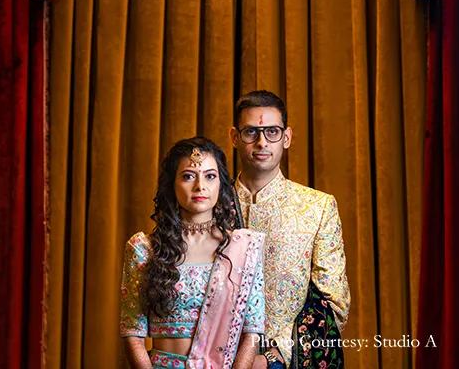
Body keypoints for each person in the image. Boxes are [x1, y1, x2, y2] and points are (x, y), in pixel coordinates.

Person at [120, 137, 265, 369]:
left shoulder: (244, 249)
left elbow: (253, 332)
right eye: (188, 176)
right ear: (172, 185)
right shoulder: (145, 249)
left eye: (210, 176)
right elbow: (132, 332)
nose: (200, 186)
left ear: (221, 185)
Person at [231, 91, 350, 369]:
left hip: (286, 361)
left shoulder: (317, 207)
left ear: (287, 137)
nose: (262, 142)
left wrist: (274, 357)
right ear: (235, 137)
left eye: (272, 132)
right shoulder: (209, 207)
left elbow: (334, 303)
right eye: (251, 132)